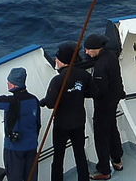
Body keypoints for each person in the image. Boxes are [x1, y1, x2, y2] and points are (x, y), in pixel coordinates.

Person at [40, 44, 94, 181]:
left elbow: (51, 103)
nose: (56, 61)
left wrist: (44, 101)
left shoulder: (57, 80)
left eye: (57, 59)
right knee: (80, 155)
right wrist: (79, 93)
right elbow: (94, 92)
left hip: (62, 125)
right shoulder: (84, 75)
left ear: (62, 61)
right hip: (78, 122)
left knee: (58, 158)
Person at [83, 34, 125, 179]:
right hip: (114, 100)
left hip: (104, 105)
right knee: (113, 129)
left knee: (101, 135)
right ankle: (117, 159)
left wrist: (84, 92)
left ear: (96, 49)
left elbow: (99, 90)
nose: (87, 53)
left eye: (88, 50)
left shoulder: (100, 66)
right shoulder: (112, 56)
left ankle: (104, 170)